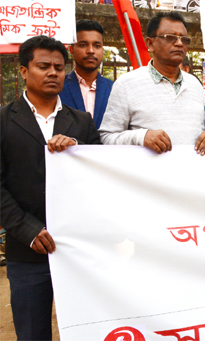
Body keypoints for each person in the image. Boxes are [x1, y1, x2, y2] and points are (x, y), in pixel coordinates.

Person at [1, 35, 101, 341]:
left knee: (90, 330)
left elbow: (101, 177)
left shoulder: (81, 122)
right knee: (33, 333)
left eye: (59, 67)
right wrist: (28, 230)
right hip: (28, 251)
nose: (53, 73)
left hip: (80, 250)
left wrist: (77, 150)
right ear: (23, 71)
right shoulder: (3, 121)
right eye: (43, 66)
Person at [99, 11, 205, 155]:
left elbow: (197, 133)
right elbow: (106, 138)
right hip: (146, 176)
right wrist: (141, 137)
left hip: (189, 174)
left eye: (184, 39)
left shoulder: (195, 85)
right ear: (150, 43)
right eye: (170, 37)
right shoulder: (126, 84)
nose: (179, 43)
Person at [59, 19, 113, 129]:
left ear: (102, 49)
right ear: (71, 50)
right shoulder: (58, 87)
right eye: (83, 45)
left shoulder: (114, 89)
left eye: (97, 46)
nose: (90, 51)